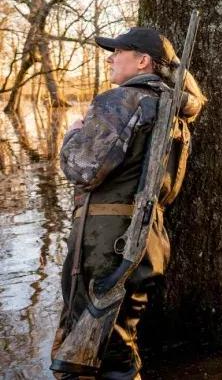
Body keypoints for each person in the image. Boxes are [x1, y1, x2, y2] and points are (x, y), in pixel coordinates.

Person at [50, 28, 206, 379]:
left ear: (143, 61)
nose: (110, 58)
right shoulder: (175, 109)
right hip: (149, 241)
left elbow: (82, 169)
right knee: (119, 342)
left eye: (118, 52)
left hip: (105, 242)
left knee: (90, 355)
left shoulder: (121, 100)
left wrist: (74, 133)